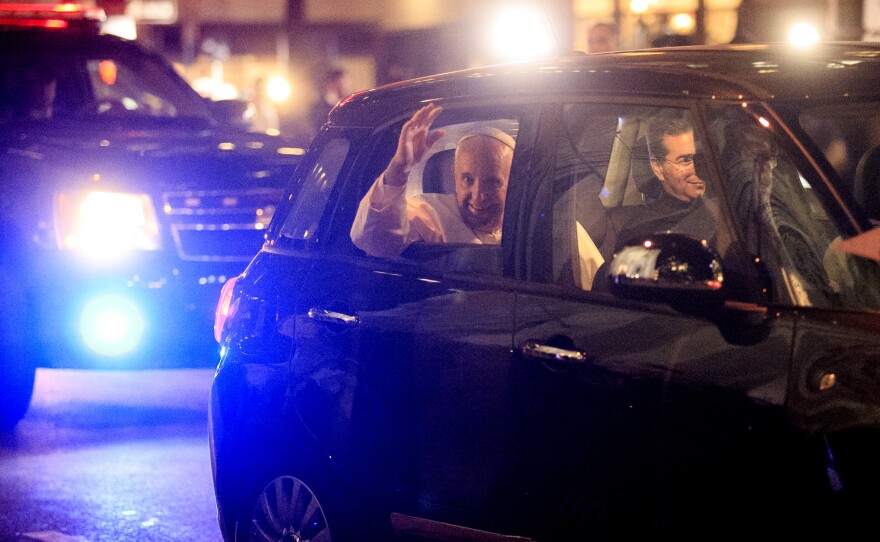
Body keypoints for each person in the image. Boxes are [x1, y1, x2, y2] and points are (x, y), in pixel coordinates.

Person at [350, 104, 513, 257]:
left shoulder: (525, 220)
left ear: (513, 180)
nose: (478, 196)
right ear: (454, 175)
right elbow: (375, 242)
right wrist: (399, 170)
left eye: (493, 183)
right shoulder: (430, 214)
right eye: (468, 180)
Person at [615, 115, 718, 248]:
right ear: (658, 167)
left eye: (699, 158)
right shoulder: (639, 233)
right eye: (685, 160)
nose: (696, 169)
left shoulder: (723, 211)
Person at [309, 68, 350, 135]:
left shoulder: (348, 106)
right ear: (331, 84)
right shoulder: (318, 108)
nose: (345, 87)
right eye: (341, 84)